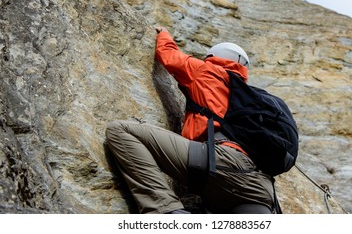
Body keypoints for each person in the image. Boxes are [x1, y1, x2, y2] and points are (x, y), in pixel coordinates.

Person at [105, 27, 275, 214]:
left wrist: (163, 33)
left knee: (119, 130)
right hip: (261, 189)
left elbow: (169, 55)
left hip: (220, 163)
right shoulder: (248, 96)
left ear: (213, 56)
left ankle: (166, 211)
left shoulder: (207, 71)